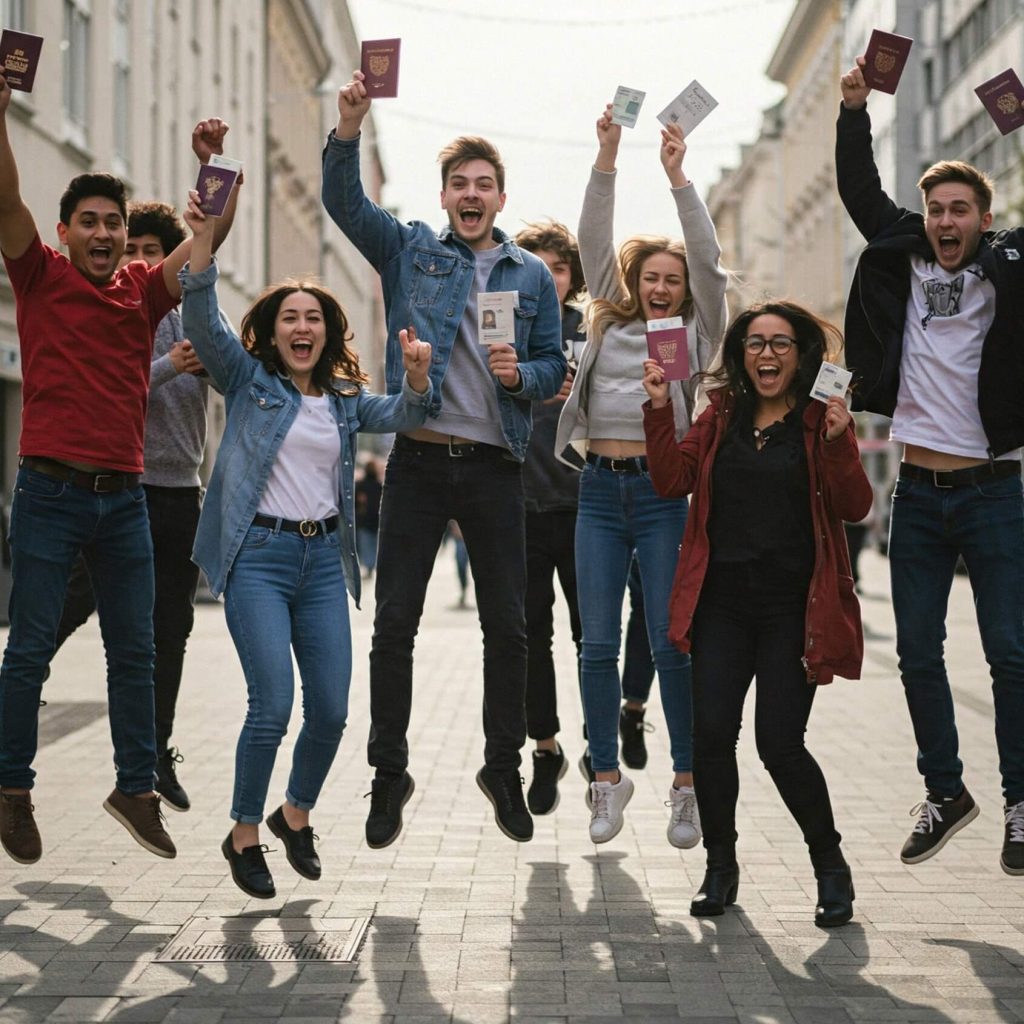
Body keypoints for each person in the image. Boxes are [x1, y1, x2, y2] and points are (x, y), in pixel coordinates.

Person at [322, 71, 565, 848]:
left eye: (483, 184)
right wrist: (349, 128)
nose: (471, 194)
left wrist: (520, 377)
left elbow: (554, 365)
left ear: (500, 198)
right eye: (460, 183)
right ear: (445, 195)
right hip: (420, 464)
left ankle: (502, 767)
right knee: (394, 622)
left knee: (510, 628)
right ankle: (388, 773)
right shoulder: (412, 252)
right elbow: (345, 205)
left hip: (496, 467)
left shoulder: (531, 275)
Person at [0, 68, 235, 865]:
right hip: (49, 493)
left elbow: (207, 242)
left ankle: (135, 789)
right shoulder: (39, 276)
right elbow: (6, 202)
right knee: (29, 648)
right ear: (65, 232)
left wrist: (210, 166)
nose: (104, 234)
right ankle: (12, 788)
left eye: (114, 223)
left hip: (125, 500)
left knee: (135, 651)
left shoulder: (142, 290)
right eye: (90, 223)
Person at [181, 191, 433, 899]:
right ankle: (243, 834)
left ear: (327, 333)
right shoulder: (247, 379)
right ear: (272, 330)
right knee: (272, 705)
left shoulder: (344, 400)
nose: (302, 327)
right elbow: (202, 320)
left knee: (330, 710)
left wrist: (418, 378)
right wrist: (203, 242)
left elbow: (406, 411)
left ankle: (294, 815)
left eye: (313, 318)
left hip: (323, 563)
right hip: (258, 559)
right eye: (289, 317)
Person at [837, 58, 1024, 874]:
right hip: (915, 494)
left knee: (1010, 654)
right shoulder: (905, 257)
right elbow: (859, 192)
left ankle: (1020, 803)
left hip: (994, 492)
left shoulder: (1009, 265)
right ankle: (945, 792)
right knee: (917, 652)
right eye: (936, 209)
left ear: (985, 218)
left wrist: (1019, 118)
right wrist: (854, 111)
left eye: (960, 210)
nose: (946, 222)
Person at [643, 299, 872, 927]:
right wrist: (659, 408)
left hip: (791, 610)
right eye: (754, 343)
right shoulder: (720, 415)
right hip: (722, 605)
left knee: (780, 744)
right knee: (712, 738)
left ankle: (830, 866)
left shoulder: (820, 420)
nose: (766, 354)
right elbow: (671, 480)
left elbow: (855, 506)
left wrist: (840, 442)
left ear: (800, 356)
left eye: (779, 344)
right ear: (741, 355)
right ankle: (720, 867)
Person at [555, 105, 728, 846]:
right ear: (634, 280)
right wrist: (608, 155)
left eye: (672, 280)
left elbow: (711, 265)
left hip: (663, 499)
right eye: (651, 277)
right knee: (596, 644)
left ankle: (686, 784)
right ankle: (606, 779)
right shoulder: (607, 316)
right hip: (598, 490)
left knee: (668, 642)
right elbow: (592, 237)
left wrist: (678, 177)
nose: (660, 287)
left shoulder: (695, 330)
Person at [47, 201, 213, 813]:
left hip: (180, 492)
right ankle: (18, 694)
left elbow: (235, 375)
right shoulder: (113, 307)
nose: (141, 261)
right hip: (122, 488)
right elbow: (105, 385)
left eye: (152, 251)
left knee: (171, 630)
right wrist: (170, 365)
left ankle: (155, 753)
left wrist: (215, 362)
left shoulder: (196, 311)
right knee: (68, 605)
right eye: (133, 249)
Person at [513, 219, 586, 815]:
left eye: (558, 268)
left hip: (588, 507)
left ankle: (602, 745)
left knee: (594, 636)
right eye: (537, 267)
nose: (548, 278)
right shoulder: (502, 330)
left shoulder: (594, 328)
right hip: (520, 507)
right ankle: (545, 748)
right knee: (532, 636)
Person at [354, 458, 383, 579]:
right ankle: (372, 566)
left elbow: (355, 503)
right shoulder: (379, 486)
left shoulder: (360, 485)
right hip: (377, 520)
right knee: (374, 545)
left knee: (366, 545)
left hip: (363, 520)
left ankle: (369, 566)